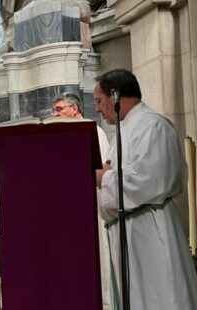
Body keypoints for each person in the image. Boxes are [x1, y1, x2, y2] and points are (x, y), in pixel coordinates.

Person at [94, 69, 197, 310]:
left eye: (99, 100)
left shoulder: (152, 125)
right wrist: (108, 175)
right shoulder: (128, 129)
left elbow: (152, 179)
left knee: (160, 298)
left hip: (149, 231)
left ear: (116, 95)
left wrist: (105, 178)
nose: (97, 108)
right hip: (131, 231)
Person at [52, 92, 113, 310]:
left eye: (59, 109)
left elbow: (101, 172)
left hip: (90, 203)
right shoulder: (61, 134)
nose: (54, 114)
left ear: (74, 109)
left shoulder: (91, 130)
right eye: (54, 110)